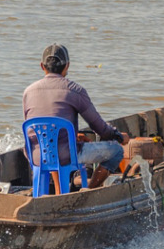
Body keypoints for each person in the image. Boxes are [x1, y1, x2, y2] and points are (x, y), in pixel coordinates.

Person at [23, 44, 129, 189]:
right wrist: (119, 136)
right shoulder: (74, 90)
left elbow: (40, 128)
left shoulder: (28, 92)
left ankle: (57, 192)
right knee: (117, 151)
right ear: (67, 66)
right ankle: (89, 192)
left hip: (36, 156)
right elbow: (99, 128)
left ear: (42, 66)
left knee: (54, 146)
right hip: (66, 155)